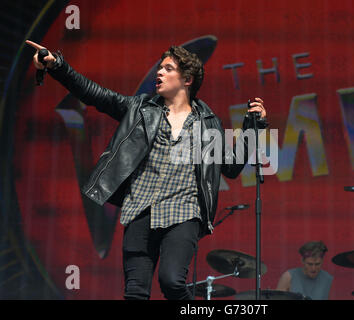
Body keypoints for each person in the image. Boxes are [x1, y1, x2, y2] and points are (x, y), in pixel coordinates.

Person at [26, 40, 268, 300]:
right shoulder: (141, 110)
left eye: (167, 68)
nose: (159, 73)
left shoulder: (206, 123)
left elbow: (230, 168)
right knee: (135, 292)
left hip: (183, 211)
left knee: (172, 281)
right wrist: (57, 65)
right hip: (140, 207)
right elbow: (95, 94)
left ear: (187, 79)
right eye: (159, 68)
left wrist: (253, 129)